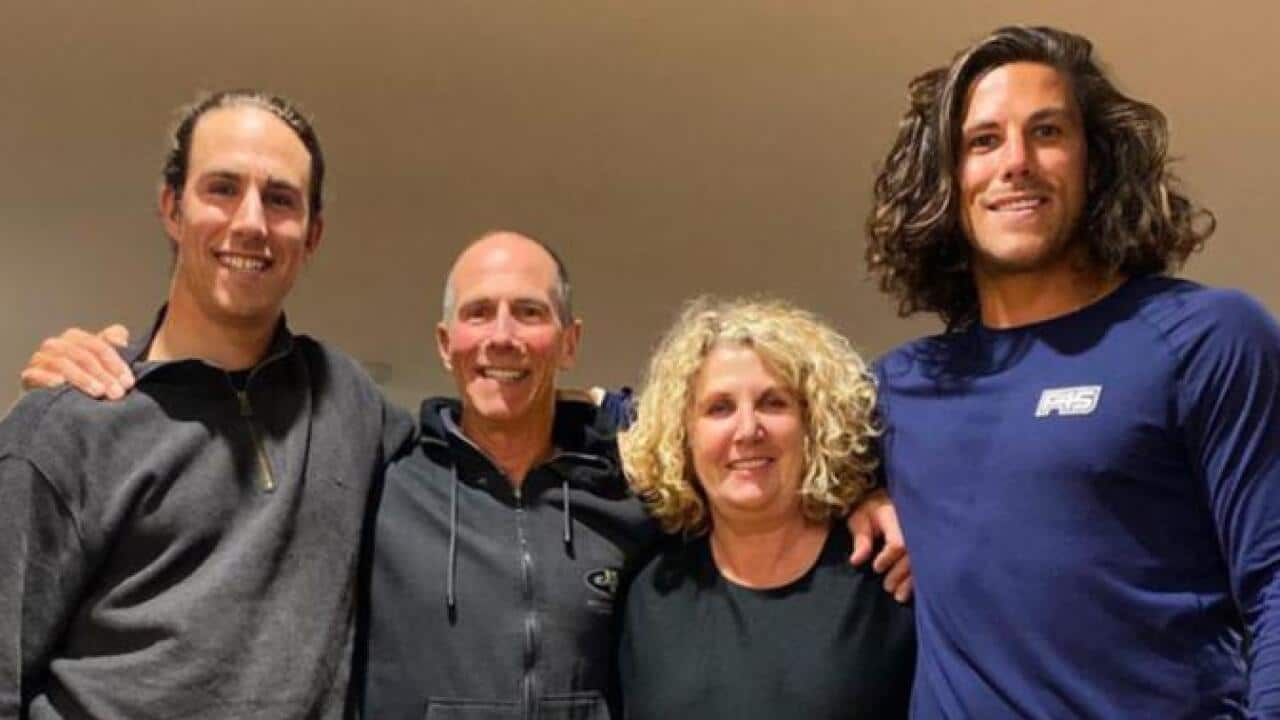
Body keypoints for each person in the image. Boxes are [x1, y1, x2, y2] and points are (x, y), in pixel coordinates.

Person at [19, 231, 914, 718]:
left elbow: (737, 454)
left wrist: (866, 490)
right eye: (479, 315)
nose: (502, 338)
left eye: (529, 313)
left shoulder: (629, 485)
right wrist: (129, 364)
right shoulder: (381, 460)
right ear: (446, 344)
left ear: (568, 341)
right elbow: (238, 398)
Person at [866, 25, 1280, 717]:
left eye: (1048, 132)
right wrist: (863, 496)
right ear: (946, 180)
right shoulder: (898, 389)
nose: (1016, 162)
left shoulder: (1207, 339)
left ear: (1096, 161)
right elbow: (728, 457)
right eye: (983, 141)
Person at [0, 90, 412, 719]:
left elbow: (478, 449)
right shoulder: (67, 427)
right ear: (172, 207)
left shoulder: (349, 402)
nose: (251, 222)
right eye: (223, 188)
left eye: (280, 199)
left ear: (312, 235)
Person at [618, 297, 915, 719]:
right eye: (719, 408)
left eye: (773, 403)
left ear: (814, 424)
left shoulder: (890, 574)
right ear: (683, 435)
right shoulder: (649, 593)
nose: (747, 430)